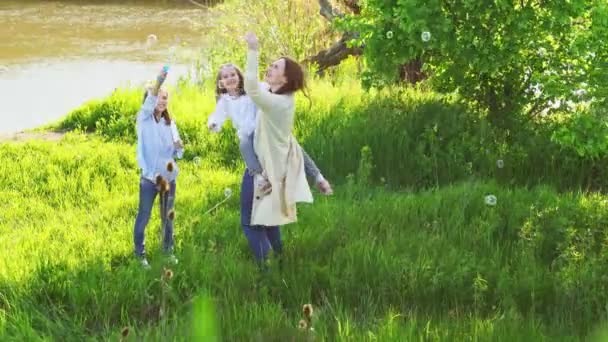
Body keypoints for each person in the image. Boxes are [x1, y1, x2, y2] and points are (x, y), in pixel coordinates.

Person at [133, 65, 184, 269]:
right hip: (149, 179)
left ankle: (167, 250)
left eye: (165, 97)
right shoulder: (143, 120)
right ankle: (140, 254)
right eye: (157, 97)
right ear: (149, 100)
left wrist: (179, 148)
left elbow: (176, 153)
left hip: (167, 179)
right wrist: (159, 81)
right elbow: (149, 101)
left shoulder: (170, 124)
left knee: (167, 217)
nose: (161, 101)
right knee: (144, 216)